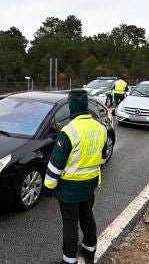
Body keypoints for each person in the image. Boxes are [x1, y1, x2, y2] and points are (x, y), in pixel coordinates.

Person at [45, 89, 108, 264]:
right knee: (87, 215)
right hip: (91, 184)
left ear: (72, 106)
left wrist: (49, 186)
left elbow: (55, 165)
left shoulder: (69, 131)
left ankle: (69, 260)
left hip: (70, 187)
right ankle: (89, 250)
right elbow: (103, 158)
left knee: (70, 223)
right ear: (86, 105)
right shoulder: (100, 128)